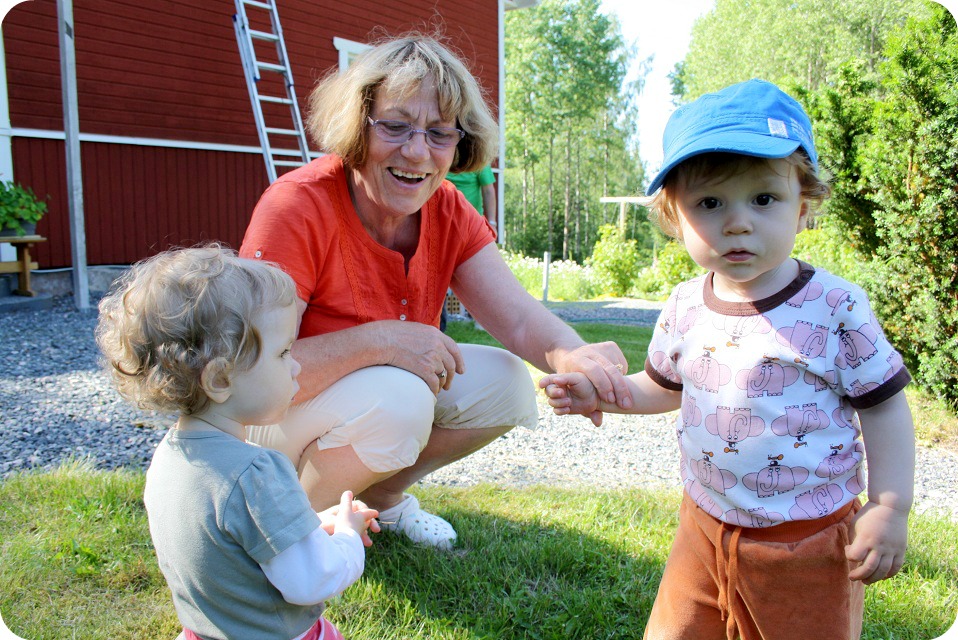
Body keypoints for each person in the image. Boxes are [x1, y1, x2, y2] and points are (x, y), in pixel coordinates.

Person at [540, 79, 915, 640]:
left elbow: (884, 407)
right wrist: (605, 393)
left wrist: (888, 506)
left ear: (803, 206)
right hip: (704, 526)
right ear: (675, 218)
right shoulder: (686, 304)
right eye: (710, 204)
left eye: (763, 199)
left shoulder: (836, 307)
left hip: (805, 540)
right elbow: (664, 387)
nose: (737, 222)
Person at [239, 34, 631, 551]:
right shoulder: (296, 205)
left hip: (354, 404)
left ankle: (381, 499)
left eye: (440, 133)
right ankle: (291, 535)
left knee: (506, 384)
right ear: (358, 126)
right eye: (395, 126)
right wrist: (383, 341)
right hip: (264, 421)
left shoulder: (448, 208)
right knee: (401, 398)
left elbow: (517, 319)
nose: (416, 151)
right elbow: (250, 372)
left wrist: (574, 356)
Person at [96, 246, 379, 640]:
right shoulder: (256, 473)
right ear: (220, 379)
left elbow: (232, 541)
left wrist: (310, 526)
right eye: (283, 352)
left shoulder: (170, 458)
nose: (296, 365)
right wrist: (347, 535)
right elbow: (312, 580)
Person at [446, 164, 497, 228]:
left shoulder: (479, 160)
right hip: (444, 219)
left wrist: (492, 223)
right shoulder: (441, 160)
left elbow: (488, 191)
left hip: (472, 222)